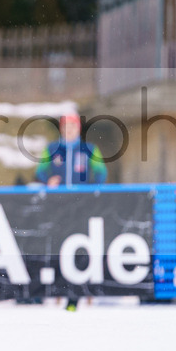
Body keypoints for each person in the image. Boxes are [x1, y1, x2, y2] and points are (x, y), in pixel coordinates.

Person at [34, 111, 108, 310]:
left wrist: (89, 190)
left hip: (81, 207)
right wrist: (48, 180)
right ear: (61, 128)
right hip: (57, 207)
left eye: (73, 126)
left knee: (79, 247)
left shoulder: (89, 149)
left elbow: (101, 173)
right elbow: (40, 171)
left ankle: (76, 294)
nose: (69, 130)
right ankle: (59, 289)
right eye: (66, 126)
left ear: (79, 129)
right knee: (58, 246)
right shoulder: (51, 149)